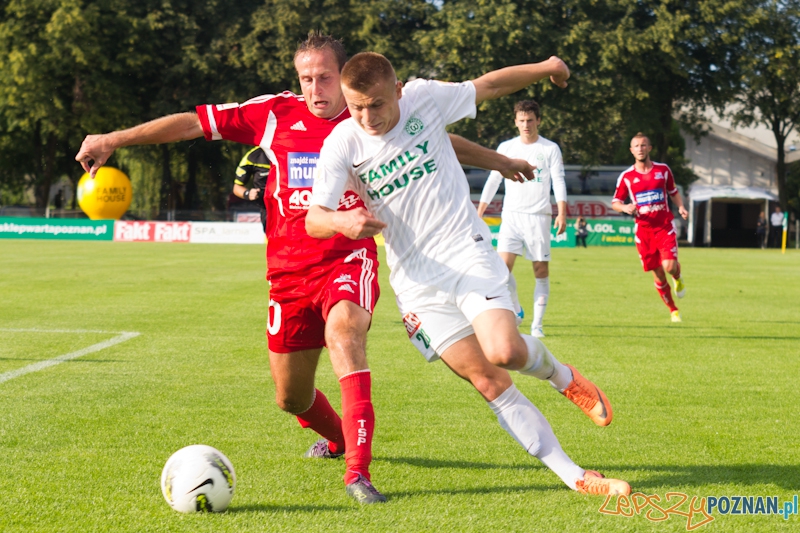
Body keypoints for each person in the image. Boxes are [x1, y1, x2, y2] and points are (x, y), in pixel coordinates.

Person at [75, 33, 534, 505]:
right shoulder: (273, 114)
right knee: (291, 398)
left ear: (344, 75)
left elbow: (437, 139)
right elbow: (193, 123)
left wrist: (498, 161)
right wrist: (114, 139)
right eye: (306, 78)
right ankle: (338, 440)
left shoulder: (367, 112)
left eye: (325, 77)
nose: (316, 89)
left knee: (344, 334)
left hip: (347, 258)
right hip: (288, 273)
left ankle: (358, 474)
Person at [307, 52, 630, 497]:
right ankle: (575, 477)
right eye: (356, 106)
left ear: (398, 91)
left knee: (504, 351)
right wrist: (340, 221)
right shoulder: (343, 142)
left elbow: (490, 85)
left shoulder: (424, 98)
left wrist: (548, 67)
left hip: (467, 253)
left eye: (377, 104)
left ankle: (563, 377)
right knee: (488, 381)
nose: (367, 117)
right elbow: (315, 218)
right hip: (417, 286)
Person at [476, 100, 566, 338]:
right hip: (512, 216)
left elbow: (558, 181)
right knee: (501, 270)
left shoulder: (550, 149)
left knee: (540, 270)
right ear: (515, 122)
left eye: (530, 120)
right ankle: (517, 310)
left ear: (539, 121)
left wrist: (562, 212)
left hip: (539, 217)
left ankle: (537, 325)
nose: (526, 125)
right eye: (522, 120)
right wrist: (480, 210)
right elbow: (493, 180)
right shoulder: (506, 147)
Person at [611, 133, 688, 322]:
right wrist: (625, 207)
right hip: (644, 231)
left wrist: (681, 207)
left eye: (643, 145)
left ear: (649, 148)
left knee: (669, 266)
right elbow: (615, 202)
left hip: (664, 226)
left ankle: (677, 276)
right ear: (631, 150)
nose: (640, 148)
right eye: (636, 146)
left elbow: (673, 191)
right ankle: (673, 310)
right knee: (658, 273)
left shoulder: (663, 170)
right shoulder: (627, 176)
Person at [232, 146, 270, 232]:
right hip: (267, 211)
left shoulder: (293, 151)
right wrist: (248, 194)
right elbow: (237, 187)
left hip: (291, 209)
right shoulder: (253, 156)